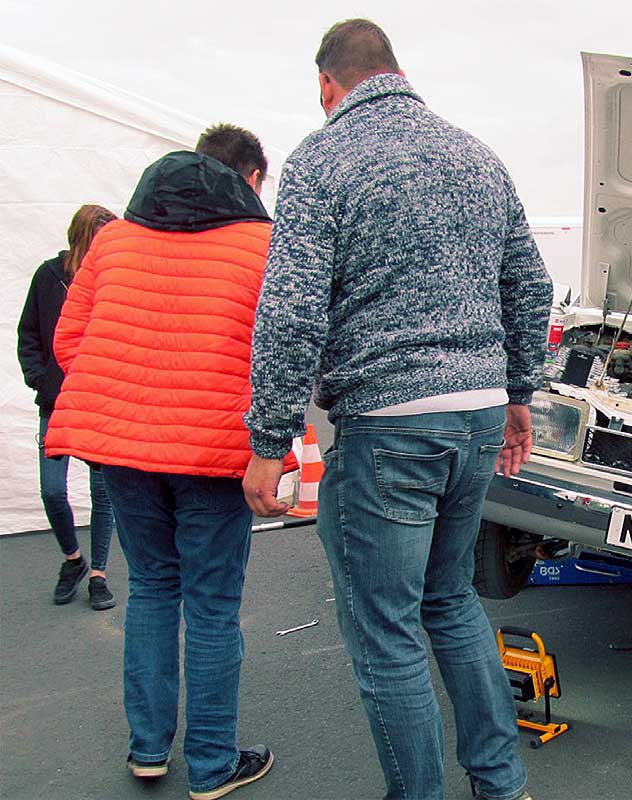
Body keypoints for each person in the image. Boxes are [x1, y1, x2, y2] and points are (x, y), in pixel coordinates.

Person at [241, 18, 552, 800]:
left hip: (390, 423)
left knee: (385, 633)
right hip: (478, 415)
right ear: (395, 69)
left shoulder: (322, 158)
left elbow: (291, 308)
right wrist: (517, 393)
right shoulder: (477, 156)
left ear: (327, 85)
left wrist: (270, 436)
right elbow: (531, 286)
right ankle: (501, 784)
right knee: (449, 600)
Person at [44, 124, 280, 800]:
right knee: (210, 607)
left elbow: (69, 344)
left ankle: (148, 748)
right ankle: (211, 766)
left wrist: (132, 390)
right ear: (250, 181)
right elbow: (280, 354)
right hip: (211, 450)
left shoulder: (114, 239)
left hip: (122, 449)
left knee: (151, 589)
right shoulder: (260, 244)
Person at [18, 205, 118, 610]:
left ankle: (99, 574)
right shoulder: (49, 277)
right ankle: (72, 560)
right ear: (82, 239)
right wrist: (40, 379)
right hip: (57, 401)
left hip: (101, 403)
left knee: (102, 493)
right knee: (52, 490)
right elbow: (28, 333)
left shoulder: (116, 278)